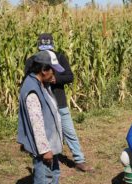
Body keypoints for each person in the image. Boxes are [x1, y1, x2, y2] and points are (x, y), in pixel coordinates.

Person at [25, 33, 93, 172]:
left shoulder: (60, 58)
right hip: (43, 104)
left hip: (59, 102)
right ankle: (45, 159)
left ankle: (79, 160)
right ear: (39, 47)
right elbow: (28, 79)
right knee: (44, 132)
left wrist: (56, 79)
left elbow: (69, 76)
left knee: (69, 132)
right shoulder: (32, 60)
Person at [18, 50, 64, 184]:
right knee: (43, 179)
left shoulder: (40, 84)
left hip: (50, 144)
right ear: (43, 70)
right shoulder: (32, 90)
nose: (54, 75)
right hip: (45, 147)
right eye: (52, 70)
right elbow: (36, 123)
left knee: (53, 175)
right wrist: (45, 150)